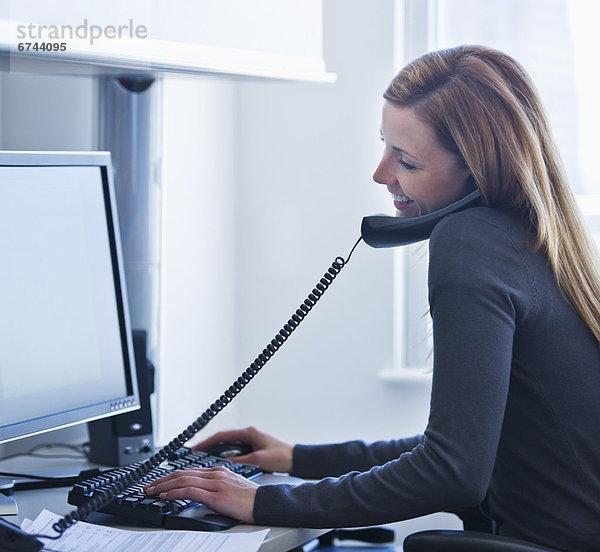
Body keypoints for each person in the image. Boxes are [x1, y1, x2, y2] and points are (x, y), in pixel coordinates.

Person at [145, 45, 600, 551]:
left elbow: (452, 471)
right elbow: (469, 445)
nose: (381, 174)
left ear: (477, 172)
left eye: (405, 160)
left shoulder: (469, 241)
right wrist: (297, 458)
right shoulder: (532, 241)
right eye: (385, 146)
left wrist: (261, 502)